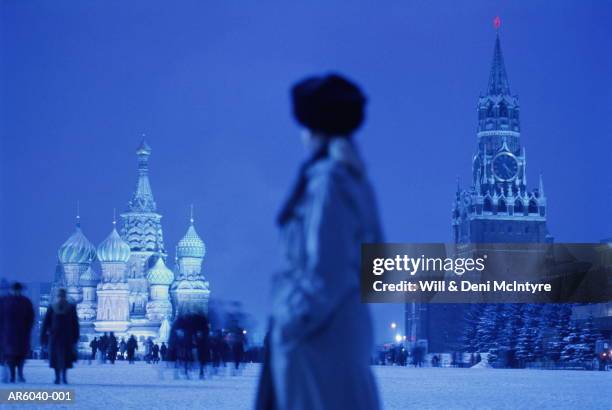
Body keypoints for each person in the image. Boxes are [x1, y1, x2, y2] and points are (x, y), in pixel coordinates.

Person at [257, 74, 382, 410]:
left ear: (314, 128)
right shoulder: (353, 178)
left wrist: (288, 322)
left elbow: (328, 271)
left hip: (319, 340)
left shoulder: (329, 181)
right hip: (336, 332)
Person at [41, 289, 79, 384]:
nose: (61, 298)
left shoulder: (70, 308)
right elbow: (46, 323)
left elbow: (75, 324)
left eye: (62, 296)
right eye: (60, 296)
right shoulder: (53, 307)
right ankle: (58, 377)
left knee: (65, 358)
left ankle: (63, 377)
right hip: (57, 337)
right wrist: (43, 337)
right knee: (56, 358)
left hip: (64, 337)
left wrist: (75, 336)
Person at [2, 282, 35, 383]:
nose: (17, 292)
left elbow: (31, 317)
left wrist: (28, 328)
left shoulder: (25, 302)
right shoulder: (5, 301)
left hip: (21, 333)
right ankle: (13, 375)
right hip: (8, 333)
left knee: (21, 355)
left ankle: (20, 373)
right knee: (11, 355)